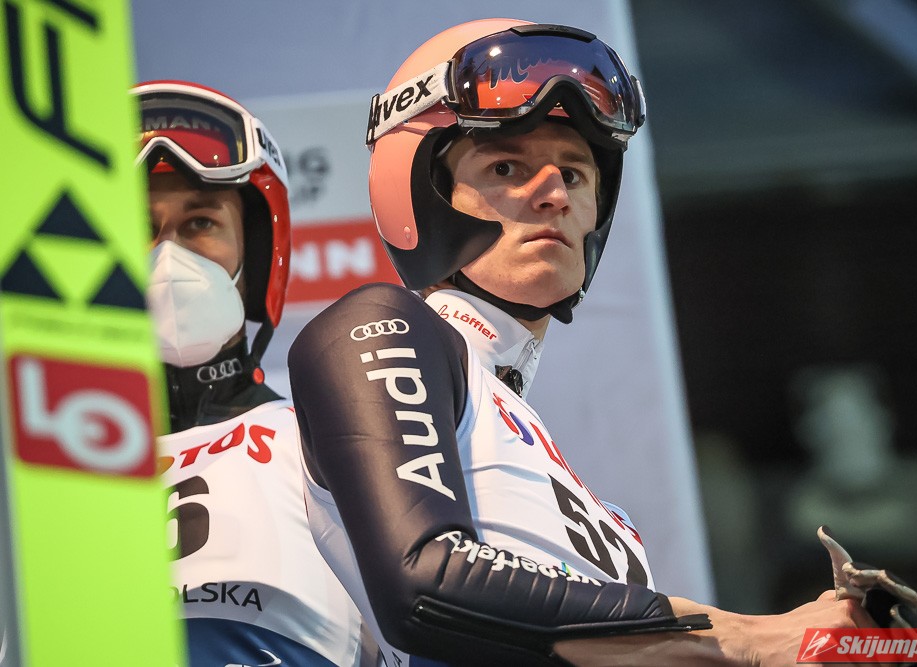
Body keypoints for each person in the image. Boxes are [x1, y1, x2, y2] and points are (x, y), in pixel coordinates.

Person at [287, 19, 870, 666]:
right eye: (506, 166)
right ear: (422, 195)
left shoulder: (598, 509)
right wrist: (754, 638)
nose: (554, 195)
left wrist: (894, 640)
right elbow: (426, 582)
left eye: (573, 173)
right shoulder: (381, 324)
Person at [134, 80, 364, 666]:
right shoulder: (37, 466)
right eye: (138, 229)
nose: (167, 255)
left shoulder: (331, 439)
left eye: (199, 223)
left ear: (258, 256)